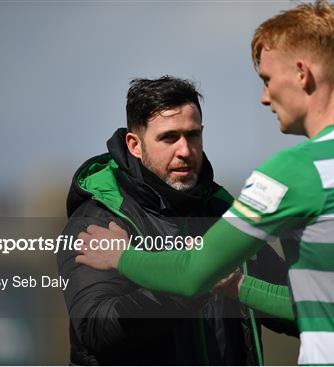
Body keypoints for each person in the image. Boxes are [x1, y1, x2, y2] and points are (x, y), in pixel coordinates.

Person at [76, 1, 334, 365]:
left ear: (302, 74)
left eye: (267, 80)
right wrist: (238, 287)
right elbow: (324, 309)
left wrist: (122, 256)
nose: (264, 98)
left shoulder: (297, 169)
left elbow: (192, 274)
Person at [57, 76, 295, 365]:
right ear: (134, 144)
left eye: (192, 135)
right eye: (169, 137)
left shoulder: (222, 212)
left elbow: (298, 312)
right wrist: (189, 281)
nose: (184, 150)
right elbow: (96, 330)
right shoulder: (98, 221)